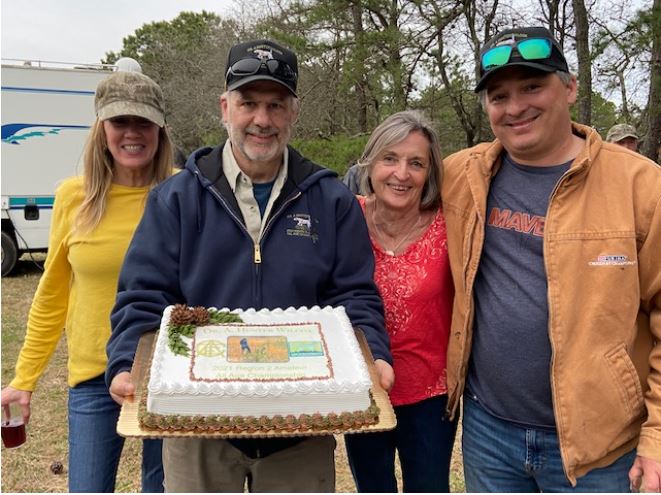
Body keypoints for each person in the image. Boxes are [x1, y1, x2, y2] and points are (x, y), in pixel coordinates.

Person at [104, 39, 394, 493]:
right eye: (248, 103)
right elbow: (144, 295)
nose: (262, 120)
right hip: (196, 428)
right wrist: (128, 362)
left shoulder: (330, 200)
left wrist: (370, 351)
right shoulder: (176, 200)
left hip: (302, 427)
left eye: (276, 104)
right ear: (225, 107)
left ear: (294, 112)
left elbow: (353, 294)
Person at [442, 26, 661, 492]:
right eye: (499, 95)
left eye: (532, 86)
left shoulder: (641, 186)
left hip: (599, 449)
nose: (515, 107)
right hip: (488, 433)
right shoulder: (464, 174)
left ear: (571, 86)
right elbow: (389, 203)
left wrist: (657, 438)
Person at [0, 70, 172, 492]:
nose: (132, 133)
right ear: (101, 129)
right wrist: (24, 380)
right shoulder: (73, 197)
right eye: (119, 122)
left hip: (164, 376)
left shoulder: (180, 193)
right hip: (93, 377)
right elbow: (52, 295)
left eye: (143, 122)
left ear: (160, 129)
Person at [343, 110, 457, 492]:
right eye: (390, 158)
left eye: (416, 163)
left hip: (430, 397)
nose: (401, 174)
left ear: (430, 172)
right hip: (364, 389)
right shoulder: (346, 219)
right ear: (371, 163)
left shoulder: (450, 226)